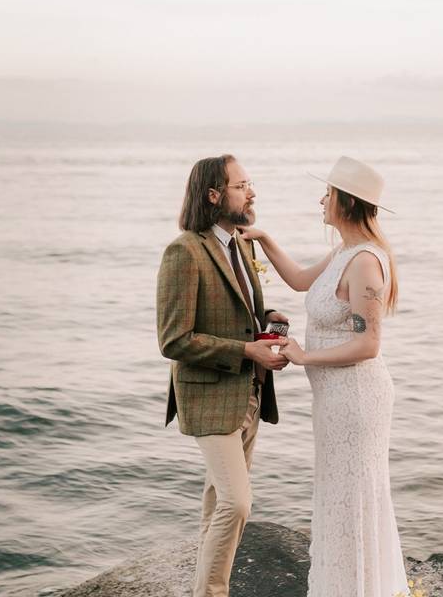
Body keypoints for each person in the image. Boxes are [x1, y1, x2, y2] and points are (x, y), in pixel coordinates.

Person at [238, 156, 409, 597]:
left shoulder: (366, 263)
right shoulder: (344, 252)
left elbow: (368, 344)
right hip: (335, 400)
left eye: (328, 194)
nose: (321, 199)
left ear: (347, 204)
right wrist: (264, 239)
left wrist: (304, 356)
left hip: (356, 399)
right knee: (339, 496)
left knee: (352, 498)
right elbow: (298, 280)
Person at [156, 154, 290, 597]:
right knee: (237, 503)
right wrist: (246, 349)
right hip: (209, 396)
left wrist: (266, 318)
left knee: (218, 505)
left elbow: (241, 310)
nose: (252, 192)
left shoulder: (242, 244)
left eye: (249, 184)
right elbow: (174, 340)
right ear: (214, 196)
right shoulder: (184, 251)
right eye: (242, 185)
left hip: (249, 394)